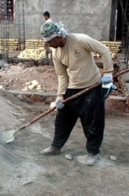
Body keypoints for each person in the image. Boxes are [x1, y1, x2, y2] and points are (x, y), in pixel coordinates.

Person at [39, 22, 114, 166]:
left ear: (59, 36)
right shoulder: (56, 53)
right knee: (62, 120)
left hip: (91, 86)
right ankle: (56, 146)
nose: (49, 45)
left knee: (93, 123)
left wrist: (108, 72)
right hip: (72, 89)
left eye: (50, 41)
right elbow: (62, 76)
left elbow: (104, 50)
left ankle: (93, 152)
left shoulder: (80, 40)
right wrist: (60, 96)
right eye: (46, 42)